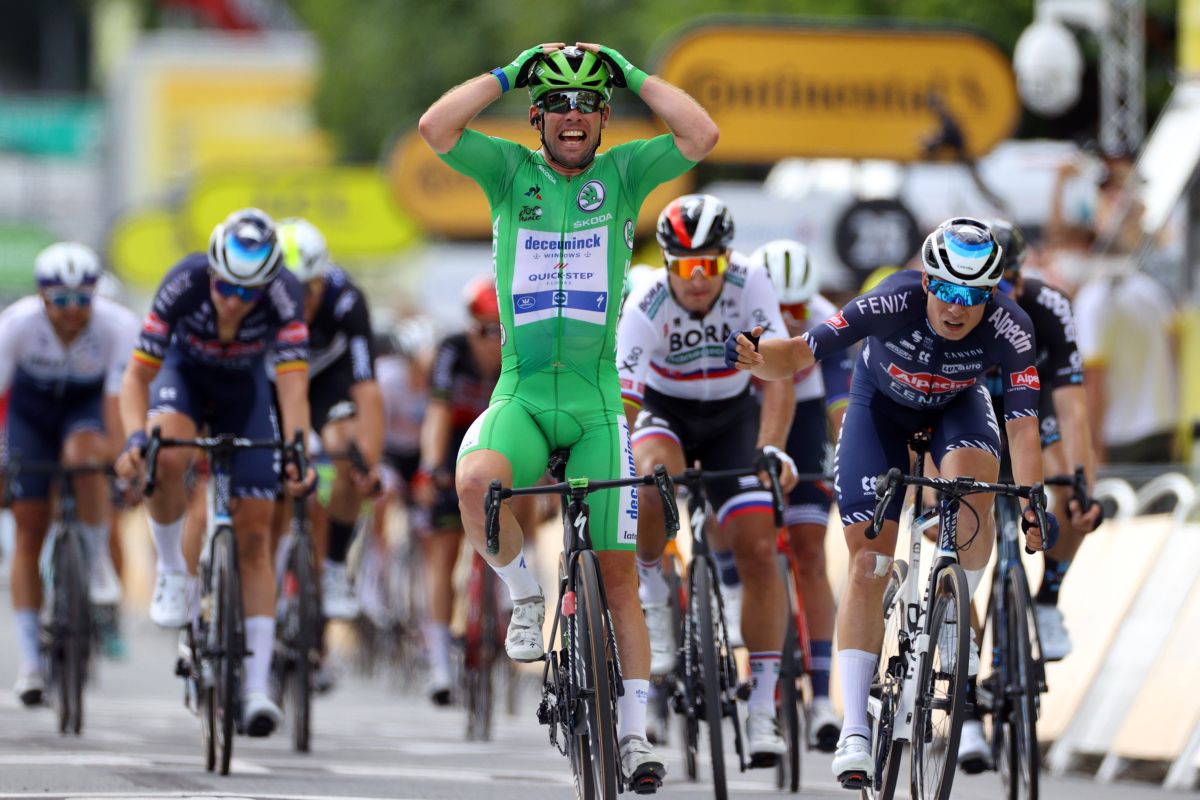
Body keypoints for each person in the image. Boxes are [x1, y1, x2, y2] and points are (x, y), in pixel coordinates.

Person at [419, 41, 717, 789]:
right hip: (520, 392)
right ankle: (524, 592)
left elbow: (701, 136)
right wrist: (510, 73)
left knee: (618, 577)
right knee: (474, 483)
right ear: (539, 117)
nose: (574, 117)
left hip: (593, 402)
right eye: (559, 105)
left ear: (605, 117)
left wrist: (631, 70)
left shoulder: (624, 173)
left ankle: (636, 737)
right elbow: (435, 129)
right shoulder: (508, 171)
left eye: (589, 105)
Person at [725, 217, 1059, 789]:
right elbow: (801, 353)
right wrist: (761, 357)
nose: (957, 308)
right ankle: (855, 727)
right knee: (866, 565)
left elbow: (1023, 425)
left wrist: (1033, 502)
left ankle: (952, 617)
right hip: (878, 410)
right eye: (946, 291)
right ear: (927, 282)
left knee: (979, 493)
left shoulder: (1012, 326)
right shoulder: (890, 300)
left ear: (993, 294)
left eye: (973, 296)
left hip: (956, 408)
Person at [115, 208, 316, 737]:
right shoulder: (181, 283)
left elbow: (293, 386)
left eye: (248, 294)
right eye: (227, 287)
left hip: (245, 394)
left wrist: (298, 450)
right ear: (211, 272)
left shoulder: (285, 295)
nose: (234, 301)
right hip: (183, 381)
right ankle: (172, 572)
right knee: (168, 454)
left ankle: (253, 689)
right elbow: (136, 379)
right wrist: (137, 437)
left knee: (254, 535)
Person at [617, 195, 797, 765]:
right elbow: (624, 403)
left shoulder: (753, 282)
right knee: (649, 482)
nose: (698, 280)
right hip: (664, 412)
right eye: (686, 267)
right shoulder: (644, 300)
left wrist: (769, 447)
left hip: (731, 417)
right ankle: (651, 595)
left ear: (727, 259)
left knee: (759, 549)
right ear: (667, 262)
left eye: (710, 265)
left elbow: (780, 372)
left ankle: (764, 707)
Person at [953, 219, 1104, 771]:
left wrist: (1081, 480)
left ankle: (1046, 600)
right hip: (964, 410)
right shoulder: (959, 301)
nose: (1006, 293)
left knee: (1072, 499)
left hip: (1026, 412)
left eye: (1013, 281)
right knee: (959, 541)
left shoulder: (1047, 304)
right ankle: (964, 704)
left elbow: (1073, 404)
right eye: (999, 284)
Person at [0, 243, 138, 705]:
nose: (73, 310)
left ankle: (96, 560)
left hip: (86, 409)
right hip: (30, 415)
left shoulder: (117, 326)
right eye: (62, 300)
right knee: (27, 530)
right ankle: (32, 664)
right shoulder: (16, 325)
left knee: (86, 457)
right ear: (43, 297)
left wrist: (124, 465)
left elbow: (118, 406)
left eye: (84, 299)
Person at [752, 239, 852, 752]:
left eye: (797, 308)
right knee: (749, 546)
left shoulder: (825, 318)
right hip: (752, 416)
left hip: (808, 422)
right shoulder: (738, 310)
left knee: (811, 553)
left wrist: (854, 461)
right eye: (779, 307)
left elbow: (841, 407)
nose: (789, 319)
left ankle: (819, 700)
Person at [275, 217, 384, 620]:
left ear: (322, 279)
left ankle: (335, 564)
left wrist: (367, 464)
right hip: (277, 381)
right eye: (287, 289)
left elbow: (366, 388)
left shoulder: (345, 300)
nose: (296, 300)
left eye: (306, 290)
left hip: (326, 380)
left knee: (345, 448)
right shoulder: (260, 300)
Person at [413, 277, 503, 705]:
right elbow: (436, 413)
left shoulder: (516, 356)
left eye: (499, 330)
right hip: (453, 449)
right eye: (483, 329)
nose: (492, 340)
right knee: (443, 555)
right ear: (469, 328)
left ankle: (501, 604)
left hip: (499, 449)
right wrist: (431, 469)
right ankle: (438, 663)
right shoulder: (452, 351)